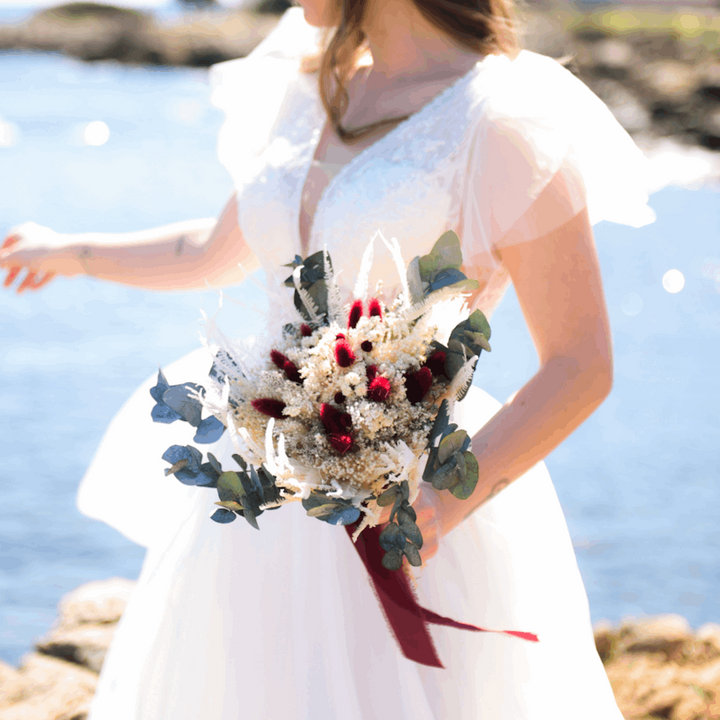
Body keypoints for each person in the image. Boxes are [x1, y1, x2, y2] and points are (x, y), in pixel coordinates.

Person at [1, 0, 656, 716]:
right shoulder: (308, 86)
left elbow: (580, 363)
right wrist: (70, 252)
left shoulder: (502, 124)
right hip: (261, 508)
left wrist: (442, 503)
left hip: (406, 506)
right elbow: (216, 251)